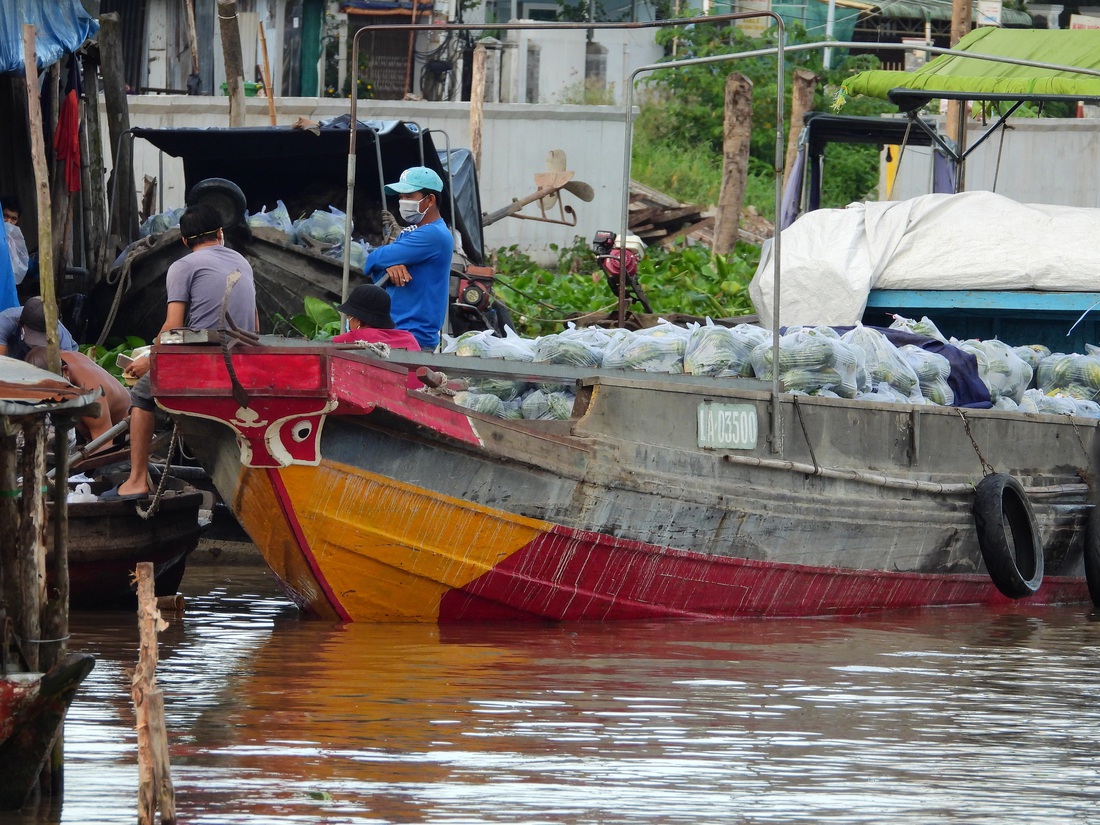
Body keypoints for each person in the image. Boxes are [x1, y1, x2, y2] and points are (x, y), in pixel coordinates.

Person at [102, 203, 257, 501]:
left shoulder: (183, 266)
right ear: (221, 234)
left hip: (205, 361)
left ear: (185, 241)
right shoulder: (242, 261)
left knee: (142, 396)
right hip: (242, 359)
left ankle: (136, 481)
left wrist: (149, 360)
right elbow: (254, 322)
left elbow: (173, 326)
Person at [363, 166, 454, 351]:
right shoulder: (411, 232)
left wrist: (385, 261)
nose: (403, 202)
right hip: (394, 332)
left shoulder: (433, 235)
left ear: (430, 200)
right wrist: (389, 267)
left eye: (409, 197)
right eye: (401, 197)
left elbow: (372, 258)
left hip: (411, 337)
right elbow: (374, 270)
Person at [25, 346, 132, 452]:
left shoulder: (91, 393)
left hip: (120, 427)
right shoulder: (52, 361)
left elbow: (103, 449)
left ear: (66, 371)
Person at [332, 283, 420, 350]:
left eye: (349, 317)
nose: (348, 322)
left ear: (358, 320)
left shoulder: (345, 341)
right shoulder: (408, 339)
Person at [0, 296, 79, 359]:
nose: (36, 344)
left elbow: (66, 369)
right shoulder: (5, 321)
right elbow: (2, 364)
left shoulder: (61, 338)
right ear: (21, 323)